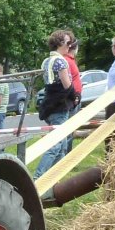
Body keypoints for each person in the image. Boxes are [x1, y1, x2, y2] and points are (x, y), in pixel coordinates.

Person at [33, 30, 76, 180]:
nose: (70, 46)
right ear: (59, 43)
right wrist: (75, 97)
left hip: (50, 106)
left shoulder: (46, 60)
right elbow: (67, 86)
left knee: (62, 146)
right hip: (59, 106)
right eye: (68, 43)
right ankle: (38, 179)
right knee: (56, 146)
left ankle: (54, 179)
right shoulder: (60, 61)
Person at [65, 36, 83, 115]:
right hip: (72, 99)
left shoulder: (70, 60)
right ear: (75, 48)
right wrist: (74, 97)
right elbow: (67, 81)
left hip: (75, 97)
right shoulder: (67, 60)